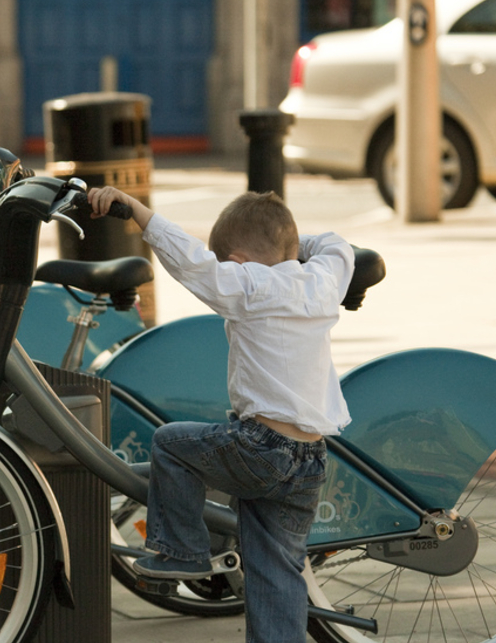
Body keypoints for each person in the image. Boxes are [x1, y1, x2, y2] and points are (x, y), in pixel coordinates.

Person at [87, 186, 355, 643]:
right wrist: (291, 243)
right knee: (278, 569)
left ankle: (182, 552)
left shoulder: (249, 285)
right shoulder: (325, 279)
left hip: (262, 448)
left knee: (171, 443)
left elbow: (191, 262)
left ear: (237, 261)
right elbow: (337, 245)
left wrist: (137, 211)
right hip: (311, 457)